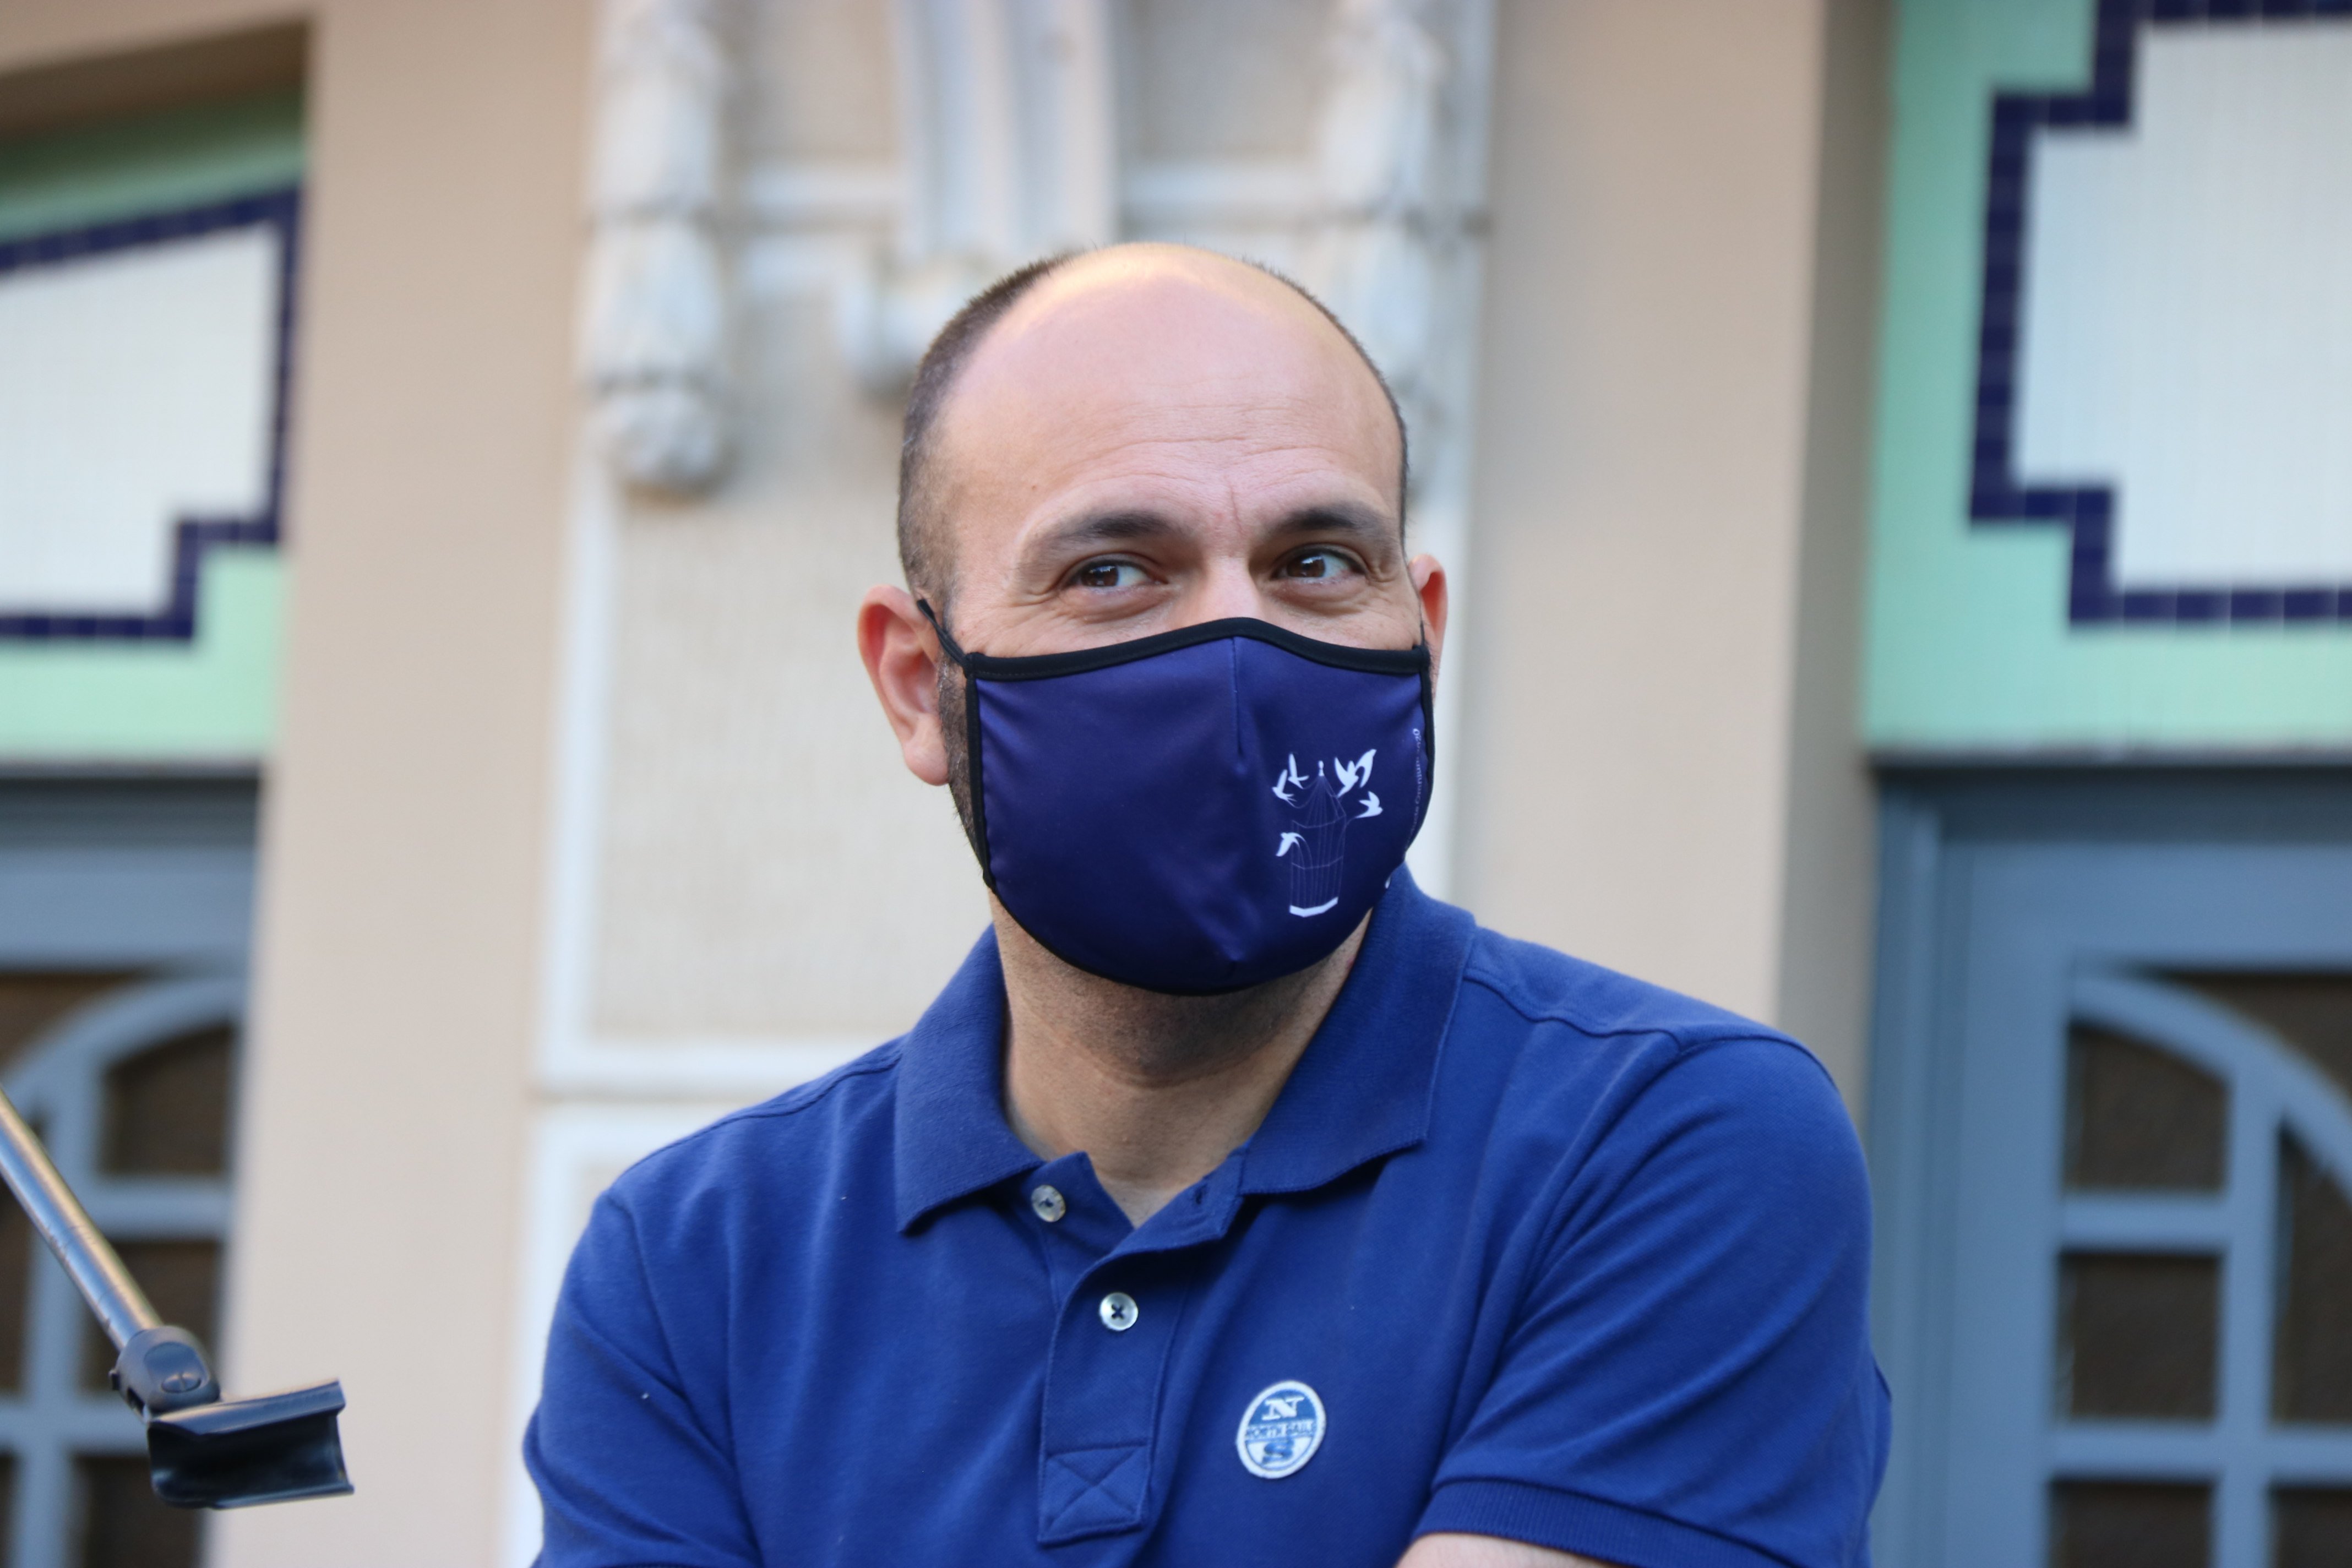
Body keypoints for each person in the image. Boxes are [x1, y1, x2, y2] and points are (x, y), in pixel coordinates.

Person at [526, 243, 1888, 1568]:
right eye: (1113, 571)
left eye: (1316, 562)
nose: (1238, 648)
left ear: (1422, 633)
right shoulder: (699, 1263)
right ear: (916, 684)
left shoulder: (1666, 1146)